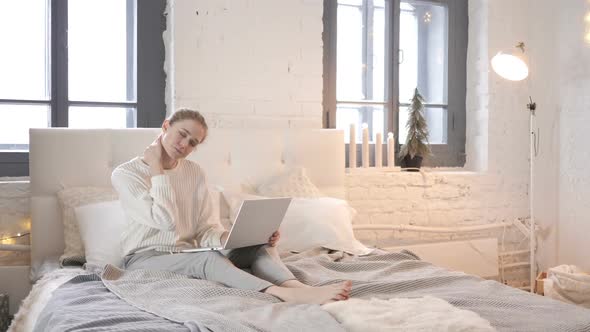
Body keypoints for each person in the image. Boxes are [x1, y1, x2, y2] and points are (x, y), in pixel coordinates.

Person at [111, 109, 351, 304]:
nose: (184, 145)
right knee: (207, 259)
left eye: (192, 142)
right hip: (145, 258)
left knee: (257, 246)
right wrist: (156, 170)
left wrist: (236, 237)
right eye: (181, 134)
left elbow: (205, 230)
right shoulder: (126, 174)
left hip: (187, 252)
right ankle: (280, 294)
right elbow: (165, 220)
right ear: (165, 126)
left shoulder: (194, 173)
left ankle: (295, 286)